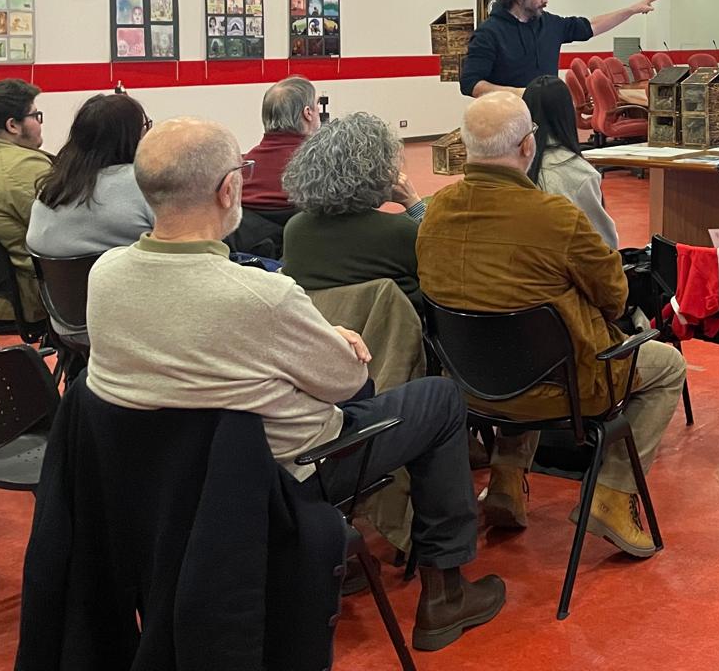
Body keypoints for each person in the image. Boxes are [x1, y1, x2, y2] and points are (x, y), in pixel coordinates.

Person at [83, 118, 504, 651]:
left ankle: (360, 559)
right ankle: (445, 593)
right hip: (291, 469)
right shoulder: (261, 295)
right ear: (228, 188)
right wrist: (337, 342)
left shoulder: (105, 274)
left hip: (161, 480)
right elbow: (351, 384)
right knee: (439, 399)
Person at [418, 94, 686, 553]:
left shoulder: (433, 212)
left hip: (469, 384)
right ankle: (612, 494)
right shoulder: (557, 218)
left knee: (514, 340)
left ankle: (505, 478)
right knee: (667, 366)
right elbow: (615, 297)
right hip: (560, 388)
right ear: (528, 146)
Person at [279, 111, 426, 308]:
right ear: (377, 171)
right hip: (391, 325)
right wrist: (413, 202)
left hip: (322, 324)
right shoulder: (400, 231)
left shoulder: (296, 228)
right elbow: (441, 254)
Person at [459, 0, 658, 97]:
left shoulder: (550, 24)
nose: (545, 0)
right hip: (506, 118)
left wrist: (631, 10)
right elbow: (471, 84)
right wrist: (522, 94)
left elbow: (593, 26)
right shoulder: (489, 33)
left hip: (547, 115)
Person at [27, 93, 154, 259]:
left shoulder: (52, 185)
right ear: (131, 136)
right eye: (145, 126)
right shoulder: (141, 184)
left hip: (55, 276)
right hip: (123, 275)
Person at [523, 75, 618, 248]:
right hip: (561, 261)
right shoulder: (580, 173)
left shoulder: (510, 165)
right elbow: (604, 244)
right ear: (567, 112)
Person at [0, 78, 52, 323]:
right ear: (13, 125)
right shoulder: (25, 166)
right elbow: (66, 229)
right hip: (25, 298)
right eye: (35, 116)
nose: (39, 123)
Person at [241, 76, 322, 218]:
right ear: (308, 113)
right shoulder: (322, 167)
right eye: (317, 104)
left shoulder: (244, 168)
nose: (320, 110)